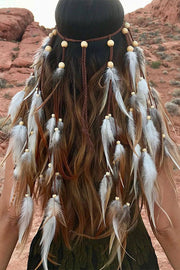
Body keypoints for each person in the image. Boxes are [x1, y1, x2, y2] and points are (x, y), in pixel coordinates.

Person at [0, 0, 180, 269]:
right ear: (122, 43)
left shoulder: (35, 107)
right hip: (129, 260)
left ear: (57, 42)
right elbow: (165, 223)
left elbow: (11, 215)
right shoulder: (139, 110)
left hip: (54, 260)